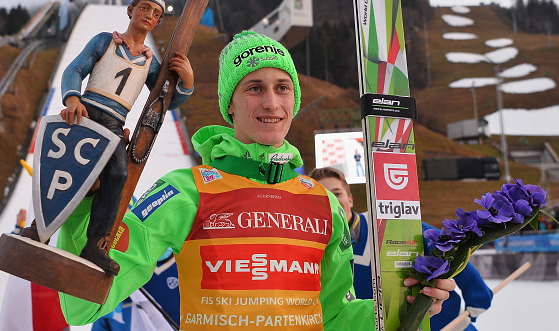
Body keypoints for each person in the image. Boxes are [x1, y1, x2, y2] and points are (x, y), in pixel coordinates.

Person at [58, 30, 454, 330]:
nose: (271, 102)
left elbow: (332, 317)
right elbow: (82, 305)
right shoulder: (187, 191)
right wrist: (86, 200)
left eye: (283, 88)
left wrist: (403, 308)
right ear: (229, 103)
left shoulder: (323, 204)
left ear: (294, 102)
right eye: (254, 88)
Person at [22, 0, 194, 276]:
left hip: (114, 124)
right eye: (144, 8)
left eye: (156, 14)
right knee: (68, 166)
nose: (148, 16)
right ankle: (40, 227)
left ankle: (96, 244)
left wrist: (186, 83)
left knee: (117, 175)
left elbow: (163, 102)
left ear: (158, 22)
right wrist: (72, 98)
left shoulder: (150, 63)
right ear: (130, 10)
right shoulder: (105, 41)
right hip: (86, 113)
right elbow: (74, 70)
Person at [309, 166, 493, 331]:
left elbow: (449, 249)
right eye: (322, 196)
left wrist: (478, 295)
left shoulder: (386, 224)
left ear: (350, 199)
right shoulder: (312, 250)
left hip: (446, 323)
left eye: (337, 193)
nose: (331, 201)